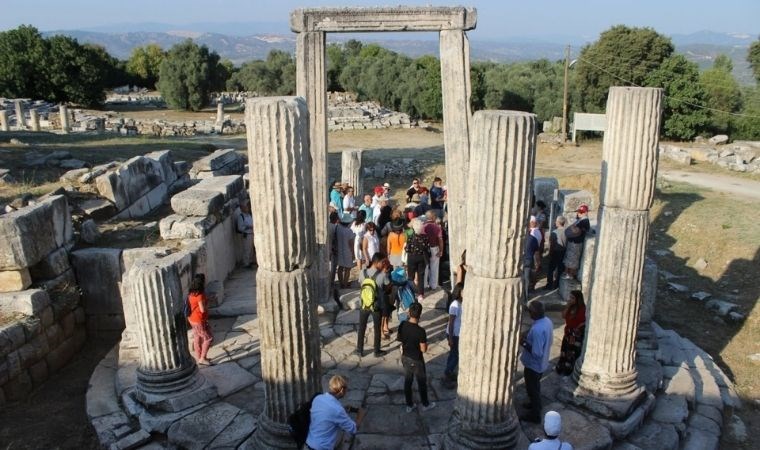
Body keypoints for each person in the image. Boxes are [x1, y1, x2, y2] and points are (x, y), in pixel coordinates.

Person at [306, 375, 364, 450]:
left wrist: (342, 410)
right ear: (342, 390)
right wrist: (360, 414)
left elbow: (326, 412)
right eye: (347, 389)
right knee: (343, 433)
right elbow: (353, 429)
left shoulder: (318, 398)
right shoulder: (338, 410)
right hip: (322, 447)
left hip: (308, 443)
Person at [397, 302, 436, 413]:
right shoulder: (420, 331)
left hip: (405, 357)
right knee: (421, 382)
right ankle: (425, 404)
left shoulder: (402, 325)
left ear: (409, 312)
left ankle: (409, 405)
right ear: (420, 314)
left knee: (408, 381)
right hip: (417, 360)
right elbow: (423, 349)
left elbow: (400, 339)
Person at [520, 300, 554, 423]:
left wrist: (523, 342)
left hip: (533, 366)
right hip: (542, 364)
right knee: (534, 387)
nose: (528, 313)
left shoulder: (538, 330)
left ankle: (535, 415)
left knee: (532, 389)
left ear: (533, 313)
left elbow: (536, 353)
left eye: (529, 311)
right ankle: (534, 405)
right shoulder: (547, 322)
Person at [357, 253, 389, 358]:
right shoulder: (382, 275)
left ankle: (359, 350)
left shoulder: (362, 272)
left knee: (361, 327)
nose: (384, 264)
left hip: (364, 304)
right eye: (382, 262)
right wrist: (386, 273)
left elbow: (360, 283)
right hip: (376, 306)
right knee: (377, 329)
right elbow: (387, 286)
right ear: (377, 262)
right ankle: (376, 351)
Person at [555, 290, 586, 376]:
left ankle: (569, 369)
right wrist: (568, 306)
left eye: (572, 298)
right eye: (570, 297)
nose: (570, 299)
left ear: (577, 299)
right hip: (568, 332)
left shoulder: (582, 309)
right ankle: (561, 367)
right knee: (564, 350)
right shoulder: (571, 307)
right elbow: (563, 316)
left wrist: (577, 329)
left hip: (576, 334)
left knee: (572, 353)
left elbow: (584, 322)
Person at [188, 274, 213, 365]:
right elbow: (202, 309)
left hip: (192, 319)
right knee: (208, 338)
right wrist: (208, 303)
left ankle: (199, 357)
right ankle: (202, 358)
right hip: (199, 320)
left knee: (197, 338)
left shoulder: (191, 293)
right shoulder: (200, 295)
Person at [404, 218, 430, 301]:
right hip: (422, 258)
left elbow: (407, 249)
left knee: (411, 277)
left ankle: (411, 293)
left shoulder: (410, 237)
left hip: (412, 258)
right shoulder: (425, 237)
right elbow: (427, 248)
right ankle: (420, 294)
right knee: (421, 276)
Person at [563, 204, 591, 279]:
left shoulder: (585, 221)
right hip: (572, 242)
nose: (579, 213)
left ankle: (571, 274)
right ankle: (567, 273)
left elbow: (577, 231)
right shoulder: (580, 220)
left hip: (576, 243)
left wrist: (572, 227)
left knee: (573, 260)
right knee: (569, 258)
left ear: (585, 213)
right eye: (578, 212)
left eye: (581, 212)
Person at [444, 283, 463, 387]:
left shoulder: (461, 303)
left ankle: (449, 372)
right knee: (455, 355)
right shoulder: (455, 304)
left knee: (453, 354)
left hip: (458, 333)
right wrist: (450, 338)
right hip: (454, 334)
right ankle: (447, 373)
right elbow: (451, 322)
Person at [545, 216, 567, 290]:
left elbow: (552, 244)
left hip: (555, 252)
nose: (555, 222)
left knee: (551, 269)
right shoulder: (566, 231)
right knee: (560, 269)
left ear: (558, 222)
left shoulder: (554, 232)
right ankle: (557, 285)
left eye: (556, 221)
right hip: (564, 252)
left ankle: (549, 285)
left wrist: (550, 253)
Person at [423, 210, 443, 290]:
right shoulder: (437, 227)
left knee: (425, 267)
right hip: (434, 248)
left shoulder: (423, 226)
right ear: (433, 217)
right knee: (434, 267)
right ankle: (433, 285)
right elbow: (440, 240)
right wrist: (441, 250)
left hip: (425, 249)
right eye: (435, 216)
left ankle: (424, 285)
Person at [336, 213, 356, 289]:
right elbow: (351, 244)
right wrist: (353, 254)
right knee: (347, 269)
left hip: (340, 250)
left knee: (340, 268)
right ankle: (345, 284)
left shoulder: (338, 228)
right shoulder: (349, 231)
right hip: (347, 252)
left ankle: (341, 283)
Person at [236, 200, 255, 268]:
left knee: (251, 250)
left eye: (247, 207)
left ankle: (250, 262)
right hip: (247, 235)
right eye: (245, 207)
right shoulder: (241, 217)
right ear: (242, 208)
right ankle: (246, 263)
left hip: (252, 233)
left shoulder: (249, 215)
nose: (247, 208)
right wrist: (249, 227)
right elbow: (240, 228)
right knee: (247, 249)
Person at [524, 224, 541, 294]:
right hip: (528, 261)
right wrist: (538, 263)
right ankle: (526, 295)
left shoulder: (519, 238)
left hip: (520, 261)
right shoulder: (534, 239)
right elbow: (536, 253)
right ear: (530, 230)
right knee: (526, 279)